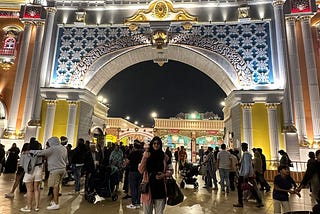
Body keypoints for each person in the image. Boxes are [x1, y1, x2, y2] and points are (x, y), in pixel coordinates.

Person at [30, 136, 68, 210]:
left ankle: (56, 203)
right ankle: (54, 201)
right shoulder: (64, 148)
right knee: (58, 185)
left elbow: (41, 152)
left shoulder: (53, 148)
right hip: (62, 169)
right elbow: (66, 160)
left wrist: (31, 151)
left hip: (55, 170)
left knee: (54, 186)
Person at [138, 136, 172, 214]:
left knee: (159, 212)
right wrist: (145, 157)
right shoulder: (147, 155)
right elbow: (141, 170)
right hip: (148, 188)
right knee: (147, 212)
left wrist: (164, 175)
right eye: (154, 143)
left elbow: (170, 170)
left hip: (160, 189)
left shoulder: (165, 156)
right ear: (152, 144)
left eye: (158, 143)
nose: (156, 145)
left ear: (160, 145)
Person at [233, 142, 264, 208]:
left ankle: (240, 202)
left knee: (241, 188)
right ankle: (259, 201)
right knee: (250, 188)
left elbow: (247, 165)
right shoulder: (246, 154)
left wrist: (246, 174)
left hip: (244, 174)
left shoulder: (246, 154)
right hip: (246, 174)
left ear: (243, 147)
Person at [20, 140, 43, 212]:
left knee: (29, 190)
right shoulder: (40, 153)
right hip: (38, 170)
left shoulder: (25, 154)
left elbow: (22, 164)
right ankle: (36, 206)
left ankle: (29, 207)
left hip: (29, 172)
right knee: (36, 189)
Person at [126, 141, 143, 209]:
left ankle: (133, 203)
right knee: (139, 188)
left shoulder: (132, 153)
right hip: (140, 172)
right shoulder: (142, 154)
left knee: (133, 188)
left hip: (133, 172)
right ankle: (138, 203)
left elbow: (127, 162)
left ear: (134, 147)